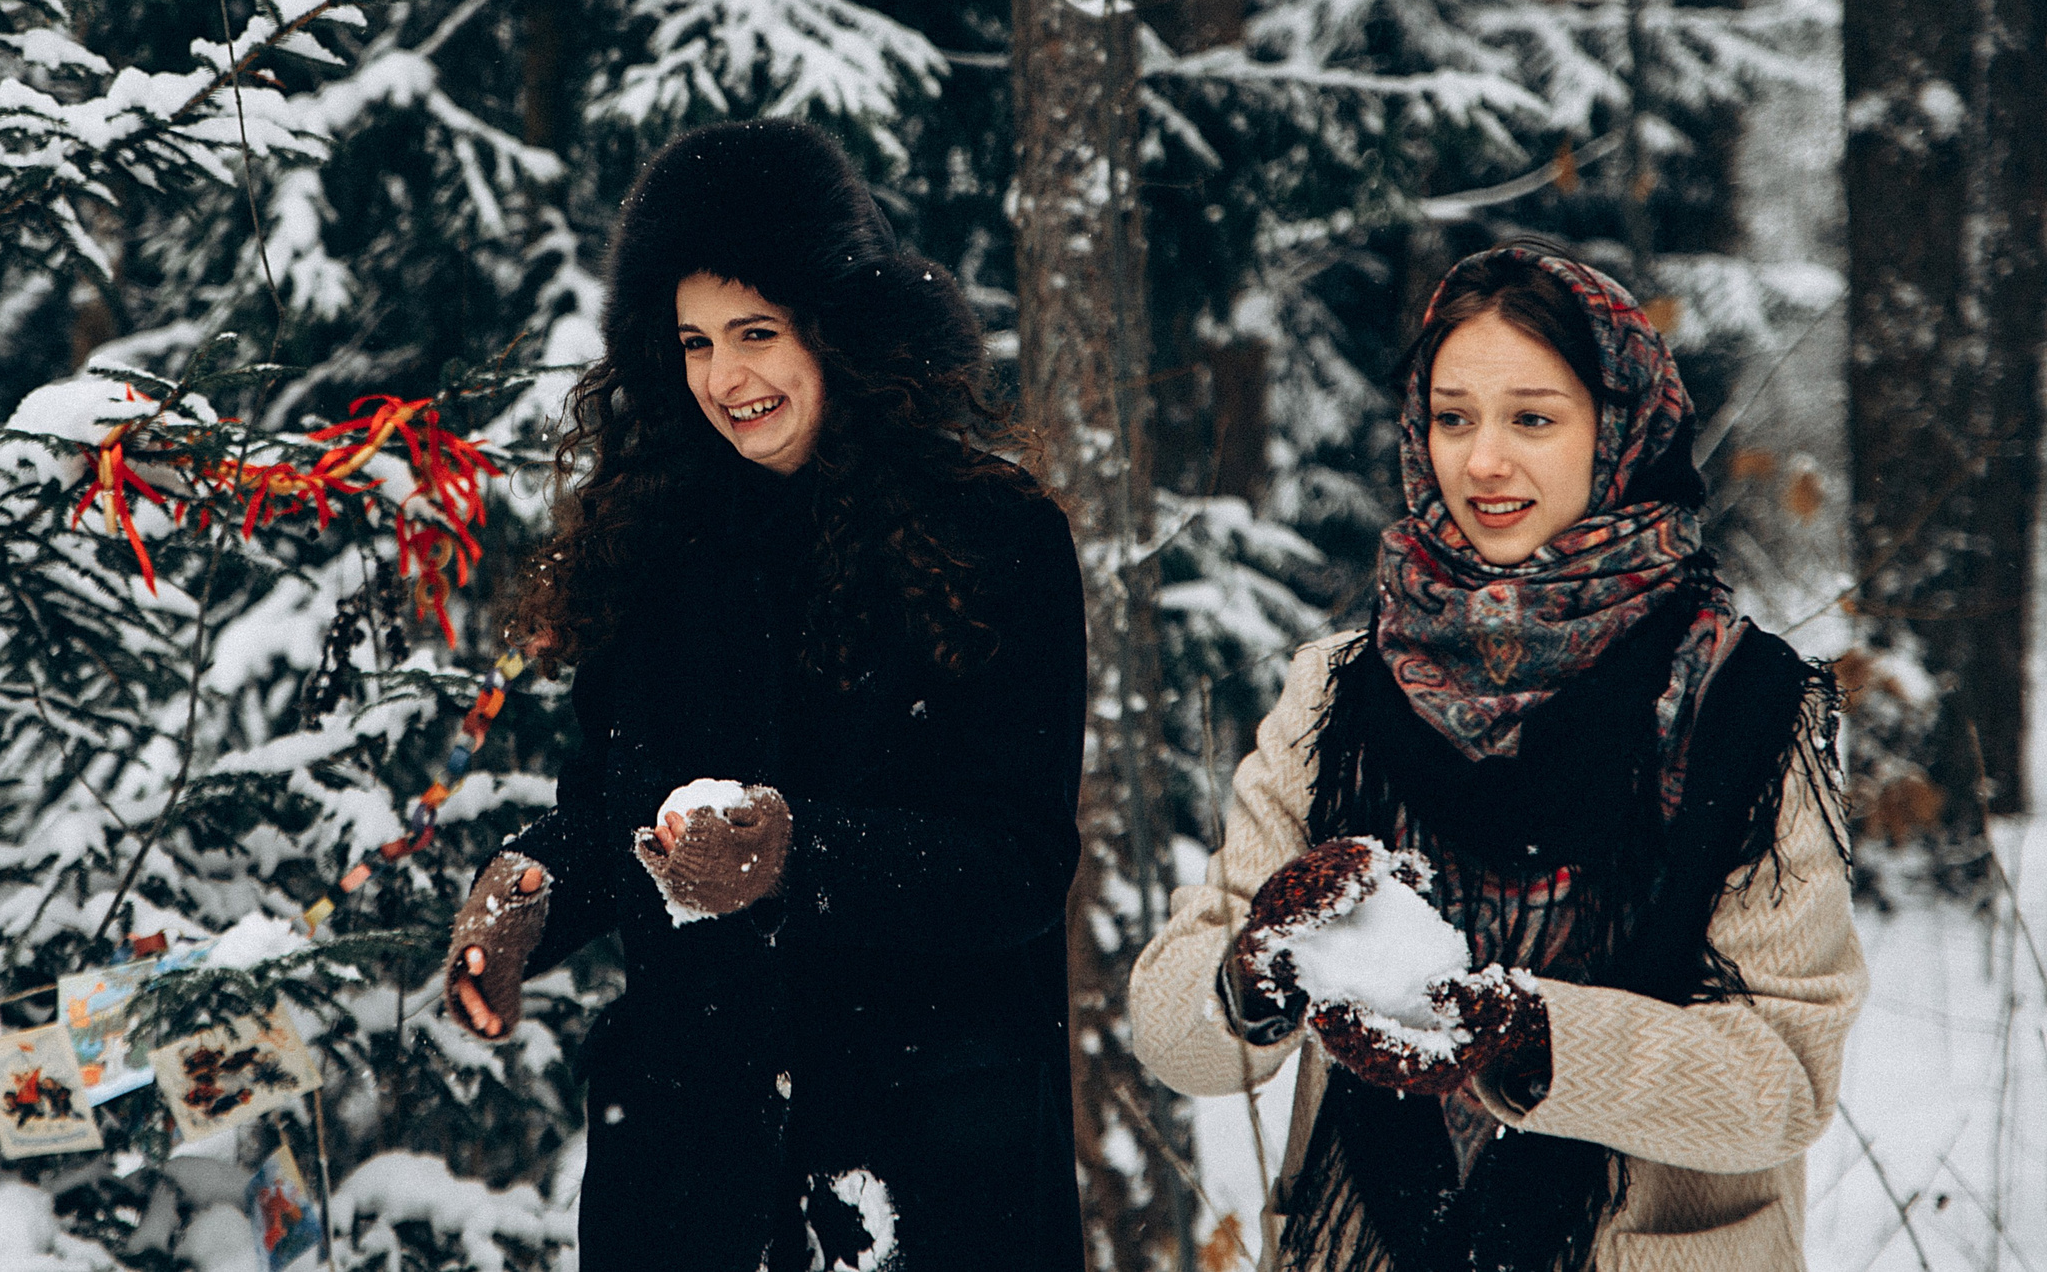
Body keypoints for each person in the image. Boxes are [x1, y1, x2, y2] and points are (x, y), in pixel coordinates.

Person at [1128, 241, 1865, 1272]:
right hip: (1367, 1242)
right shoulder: (1338, 692)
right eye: (1451, 417)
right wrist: (1252, 975)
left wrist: (1539, 1042)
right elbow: (1173, 1030)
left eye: (1532, 418)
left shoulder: (1742, 704)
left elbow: (1784, 1081)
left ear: (1618, 430)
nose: (1481, 462)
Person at [443, 120, 1088, 1271]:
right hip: (691, 1163)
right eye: (693, 342)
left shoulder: (996, 538)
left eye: (756, 332)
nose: (724, 380)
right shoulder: (652, 541)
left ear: (837, 325)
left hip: (927, 1159)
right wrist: (535, 888)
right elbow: (611, 808)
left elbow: (1020, 866)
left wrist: (800, 852)